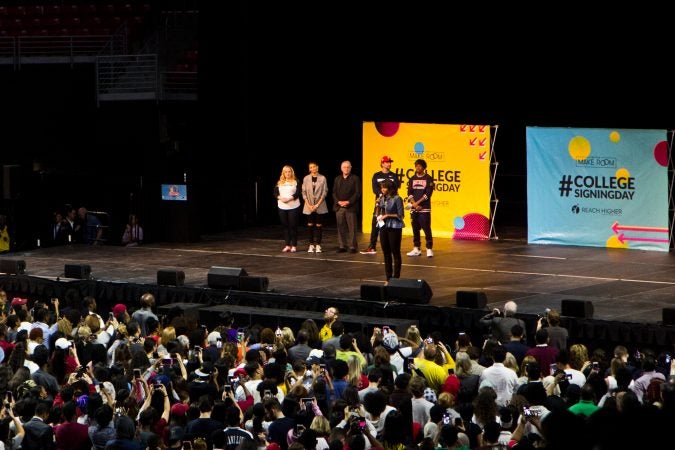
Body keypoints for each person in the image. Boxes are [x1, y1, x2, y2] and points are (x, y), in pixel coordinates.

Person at [363, 155, 399, 254]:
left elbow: (396, 188)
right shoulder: (376, 175)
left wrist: (388, 196)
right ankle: (372, 247)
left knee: (391, 224)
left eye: (390, 162)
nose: (389, 164)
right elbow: (375, 189)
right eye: (387, 162)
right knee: (376, 223)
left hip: (391, 204)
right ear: (382, 163)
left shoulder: (394, 176)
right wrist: (382, 196)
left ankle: (392, 247)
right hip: (379, 203)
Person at [375, 179, 405, 283]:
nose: (382, 189)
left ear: (390, 188)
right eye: (381, 187)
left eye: (385, 187)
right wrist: (377, 205)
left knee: (395, 252)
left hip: (394, 227)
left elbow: (401, 215)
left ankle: (396, 278)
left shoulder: (397, 198)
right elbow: (377, 214)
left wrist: (388, 215)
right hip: (384, 227)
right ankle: (388, 278)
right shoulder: (382, 198)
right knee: (386, 252)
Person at [406, 159, 435, 257]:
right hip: (414, 208)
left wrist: (418, 204)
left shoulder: (428, 178)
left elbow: (428, 194)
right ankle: (416, 248)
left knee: (426, 228)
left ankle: (429, 248)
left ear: (424, 167)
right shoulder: (412, 179)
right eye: (416, 166)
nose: (418, 167)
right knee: (415, 228)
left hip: (424, 208)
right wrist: (414, 204)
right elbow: (409, 193)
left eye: (420, 166)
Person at [332, 160, 361, 253]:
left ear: (351, 168)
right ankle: (342, 246)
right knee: (340, 227)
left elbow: (357, 193)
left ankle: (352, 246)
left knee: (352, 228)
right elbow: (334, 192)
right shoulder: (337, 179)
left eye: (348, 167)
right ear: (341, 168)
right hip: (339, 207)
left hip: (351, 207)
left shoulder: (355, 178)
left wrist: (348, 202)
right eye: (344, 167)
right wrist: (338, 201)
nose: (346, 169)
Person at [301, 161, 329, 253]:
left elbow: (324, 192)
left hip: (319, 205)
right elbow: (303, 192)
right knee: (310, 225)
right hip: (308, 205)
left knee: (318, 225)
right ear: (309, 169)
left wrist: (317, 204)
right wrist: (309, 205)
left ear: (317, 167)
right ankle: (311, 244)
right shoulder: (306, 178)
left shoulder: (323, 178)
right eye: (311, 167)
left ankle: (318, 245)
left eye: (314, 166)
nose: (313, 168)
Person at [274, 165, 301, 253]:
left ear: (291, 172)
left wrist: (289, 199)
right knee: (285, 226)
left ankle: (294, 245)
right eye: (286, 172)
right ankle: (287, 245)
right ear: (283, 173)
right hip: (282, 207)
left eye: (289, 171)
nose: (288, 173)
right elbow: (275, 193)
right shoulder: (279, 182)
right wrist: (281, 198)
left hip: (293, 206)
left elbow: (298, 193)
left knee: (293, 226)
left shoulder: (296, 181)